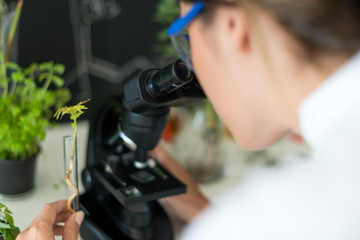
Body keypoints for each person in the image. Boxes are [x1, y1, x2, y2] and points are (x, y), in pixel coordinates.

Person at [17, 0, 360, 239]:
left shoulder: (274, 218)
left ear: (231, 24)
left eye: (185, 39)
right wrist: (206, 215)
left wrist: (226, 227)